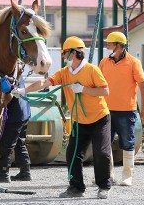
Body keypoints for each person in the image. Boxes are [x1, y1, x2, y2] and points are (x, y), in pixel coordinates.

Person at [13, 36, 112, 199]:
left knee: (101, 153)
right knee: (72, 153)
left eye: (65, 53)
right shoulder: (64, 73)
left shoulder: (92, 70)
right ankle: (76, 188)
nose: (63, 56)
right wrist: (23, 91)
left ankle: (104, 187)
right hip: (80, 121)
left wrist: (83, 89)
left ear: (74, 53)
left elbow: (105, 91)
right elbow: (44, 83)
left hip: (100, 119)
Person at [99, 31, 144, 186]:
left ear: (119, 46)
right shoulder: (104, 62)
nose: (107, 46)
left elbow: (142, 86)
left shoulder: (133, 62)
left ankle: (128, 176)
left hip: (127, 111)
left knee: (127, 142)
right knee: (104, 143)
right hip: (105, 110)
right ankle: (108, 175)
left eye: (110, 44)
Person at [0, 75, 32, 183]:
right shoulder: (16, 72)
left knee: (6, 144)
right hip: (24, 111)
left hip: (15, 114)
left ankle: (3, 173)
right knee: (20, 142)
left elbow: (8, 95)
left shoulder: (7, 75)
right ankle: (25, 172)